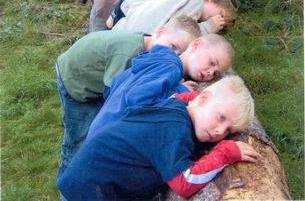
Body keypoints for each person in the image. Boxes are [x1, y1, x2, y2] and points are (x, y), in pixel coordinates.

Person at [57, 75, 258, 200]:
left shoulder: (176, 108)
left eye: (228, 131)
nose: (219, 132)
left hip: (91, 178)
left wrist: (192, 96)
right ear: (202, 99)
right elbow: (183, 183)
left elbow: (177, 98)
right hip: (90, 189)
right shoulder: (174, 129)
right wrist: (225, 152)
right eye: (221, 117)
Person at [55, 16, 201, 178]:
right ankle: (68, 183)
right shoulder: (128, 52)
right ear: (160, 32)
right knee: (78, 138)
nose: (174, 55)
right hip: (76, 79)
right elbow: (113, 95)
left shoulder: (151, 50)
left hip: (97, 78)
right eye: (173, 47)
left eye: (180, 53)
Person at [87, 33, 235, 138]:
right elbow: (137, 99)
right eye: (211, 62)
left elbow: (119, 82)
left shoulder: (160, 59)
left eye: (215, 73)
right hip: (111, 137)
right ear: (196, 44)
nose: (210, 72)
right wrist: (179, 91)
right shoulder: (171, 68)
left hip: (102, 126)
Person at [112, 0, 236, 35]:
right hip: (132, 38)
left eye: (221, 24)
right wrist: (208, 27)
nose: (217, 21)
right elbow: (181, 33)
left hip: (122, 30)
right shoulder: (196, 2)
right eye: (220, 15)